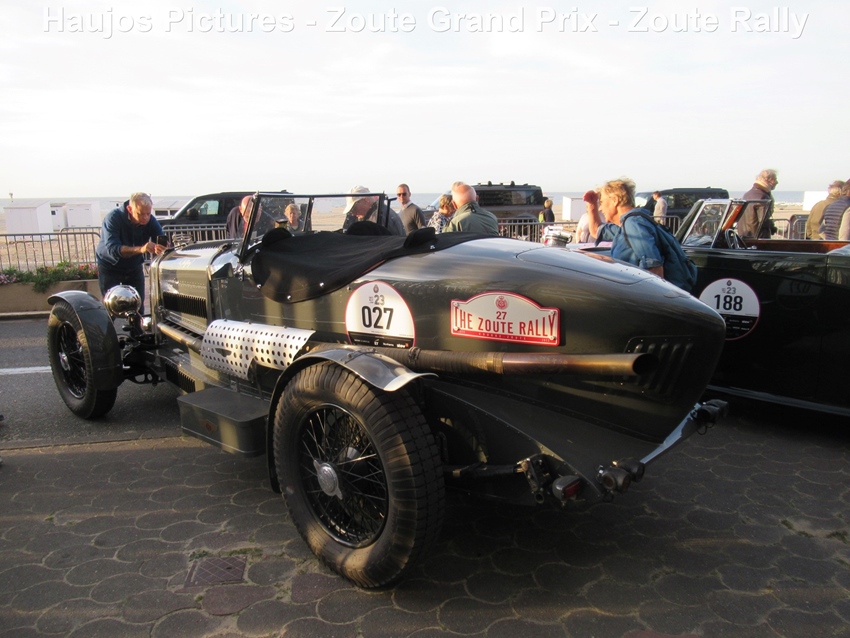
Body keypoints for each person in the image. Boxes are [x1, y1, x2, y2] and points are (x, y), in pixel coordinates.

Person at [587, 178, 695, 291]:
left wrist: (648, 299)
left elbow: (654, 267)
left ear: (615, 200)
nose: (600, 208)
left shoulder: (633, 223)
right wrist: (592, 205)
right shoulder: (627, 225)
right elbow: (596, 231)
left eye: (602, 202)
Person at [95, 192, 166, 300]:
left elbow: (161, 238)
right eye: (140, 214)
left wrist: (161, 246)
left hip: (133, 265)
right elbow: (113, 249)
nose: (145, 218)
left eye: (148, 213)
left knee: (138, 303)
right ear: (129, 209)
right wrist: (141, 249)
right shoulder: (113, 218)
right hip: (110, 266)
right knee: (112, 303)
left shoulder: (150, 220)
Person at [737, 169, 779, 238]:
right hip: (758, 237)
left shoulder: (748, 194)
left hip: (744, 235)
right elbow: (763, 221)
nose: (777, 182)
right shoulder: (762, 197)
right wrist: (771, 226)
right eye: (774, 179)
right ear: (767, 180)